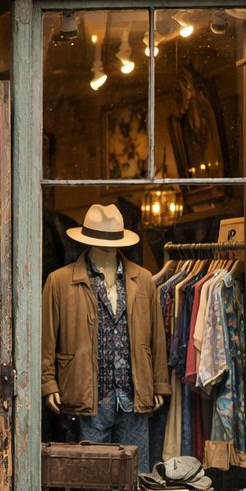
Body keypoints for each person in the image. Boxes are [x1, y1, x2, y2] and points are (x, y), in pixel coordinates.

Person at [41, 202, 169, 474]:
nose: (108, 248)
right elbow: (47, 338)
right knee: (89, 477)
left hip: (134, 392)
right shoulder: (60, 281)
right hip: (86, 392)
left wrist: (159, 383)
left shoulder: (143, 279)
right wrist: (48, 382)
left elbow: (157, 336)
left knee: (134, 475)